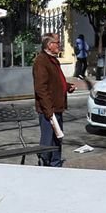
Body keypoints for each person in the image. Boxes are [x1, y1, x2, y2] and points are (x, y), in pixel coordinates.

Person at [32, 32, 73, 166]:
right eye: (57, 43)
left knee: (57, 138)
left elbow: (55, 81)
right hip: (48, 110)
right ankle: (44, 164)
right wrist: (49, 112)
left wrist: (66, 86)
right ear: (49, 45)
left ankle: (55, 163)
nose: (59, 45)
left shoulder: (53, 60)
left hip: (57, 107)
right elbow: (41, 89)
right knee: (47, 139)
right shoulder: (41, 61)